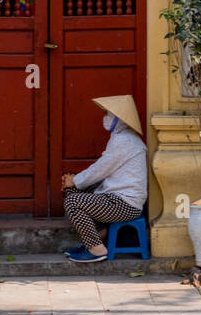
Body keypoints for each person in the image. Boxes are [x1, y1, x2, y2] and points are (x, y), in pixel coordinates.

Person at [62, 94, 147, 263]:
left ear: (119, 119)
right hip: (116, 200)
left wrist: (76, 180)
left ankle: (97, 250)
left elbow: (101, 168)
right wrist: (73, 182)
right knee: (72, 192)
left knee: (73, 201)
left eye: (109, 115)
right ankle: (94, 240)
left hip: (124, 204)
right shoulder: (122, 139)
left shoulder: (125, 141)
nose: (105, 118)